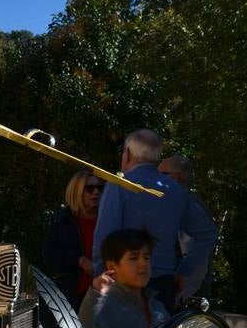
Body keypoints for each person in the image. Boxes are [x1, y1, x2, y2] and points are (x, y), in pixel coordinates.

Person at [92, 130, 216, 312]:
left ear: (127, 154)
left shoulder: (119, 187)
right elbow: (208, 234)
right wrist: (184, 271)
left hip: (123, 283)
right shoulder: (176, 191)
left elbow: (103, 239)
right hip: (163, 285)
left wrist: (99, 278)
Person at [158, 154, 218, 303]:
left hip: (187, 293)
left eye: (160, 175)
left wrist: (182, 273)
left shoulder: (187, 204)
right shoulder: (187, 202)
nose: (155, 180)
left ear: (175, 178)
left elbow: (207, 238)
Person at [42, 171, 103, 305]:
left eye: (99, 187)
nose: (96, 192)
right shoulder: (61, 220)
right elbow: (49, 256)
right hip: (71, 295)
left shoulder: (107, 219)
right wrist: (78, 260)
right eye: (90, 188)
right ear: (77, 190)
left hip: (103, 293)